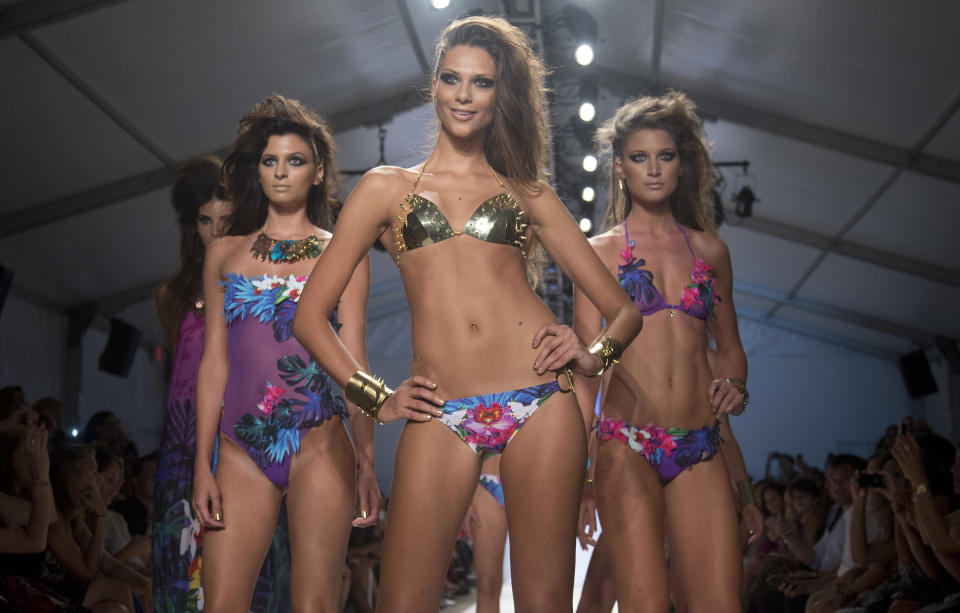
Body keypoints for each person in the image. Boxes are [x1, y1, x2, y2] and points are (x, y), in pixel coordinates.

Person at [293, 15, 642, 612]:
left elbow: (624, 312)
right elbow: (309, 316)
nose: (463, 94)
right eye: (452, 78)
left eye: (481, 83)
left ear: (499, 94)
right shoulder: (383, 188)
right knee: (403, 602)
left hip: (540, 399)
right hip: (441, 406)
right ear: (434, 84)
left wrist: (591, 355)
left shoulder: (528, 192)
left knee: (541, 601)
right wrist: (378, 397)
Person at [192, 95, 378, 612]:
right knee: (221, 605)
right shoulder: (223, 253)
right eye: (270, 161)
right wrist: (200, 466)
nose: (281, 172)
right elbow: (214, 363)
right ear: (257, 170)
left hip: (321, 445)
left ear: (318, 172)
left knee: (315, 605)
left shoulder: (344, 256)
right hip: (238, 451)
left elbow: (355, 363)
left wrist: (366, 459)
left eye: (295, 161)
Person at [573, 91, 747, 611]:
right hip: (625, 444)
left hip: (701, 443)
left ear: (681, 163)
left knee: (720, 604)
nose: (653, 169)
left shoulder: (711, 251)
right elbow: (585, 373)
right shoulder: (598, 253)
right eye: (639, 157)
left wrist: (736, 385)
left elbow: (731, 348)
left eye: (665, 156)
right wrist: (581, 477)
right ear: (620, 167)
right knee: (645, 604)